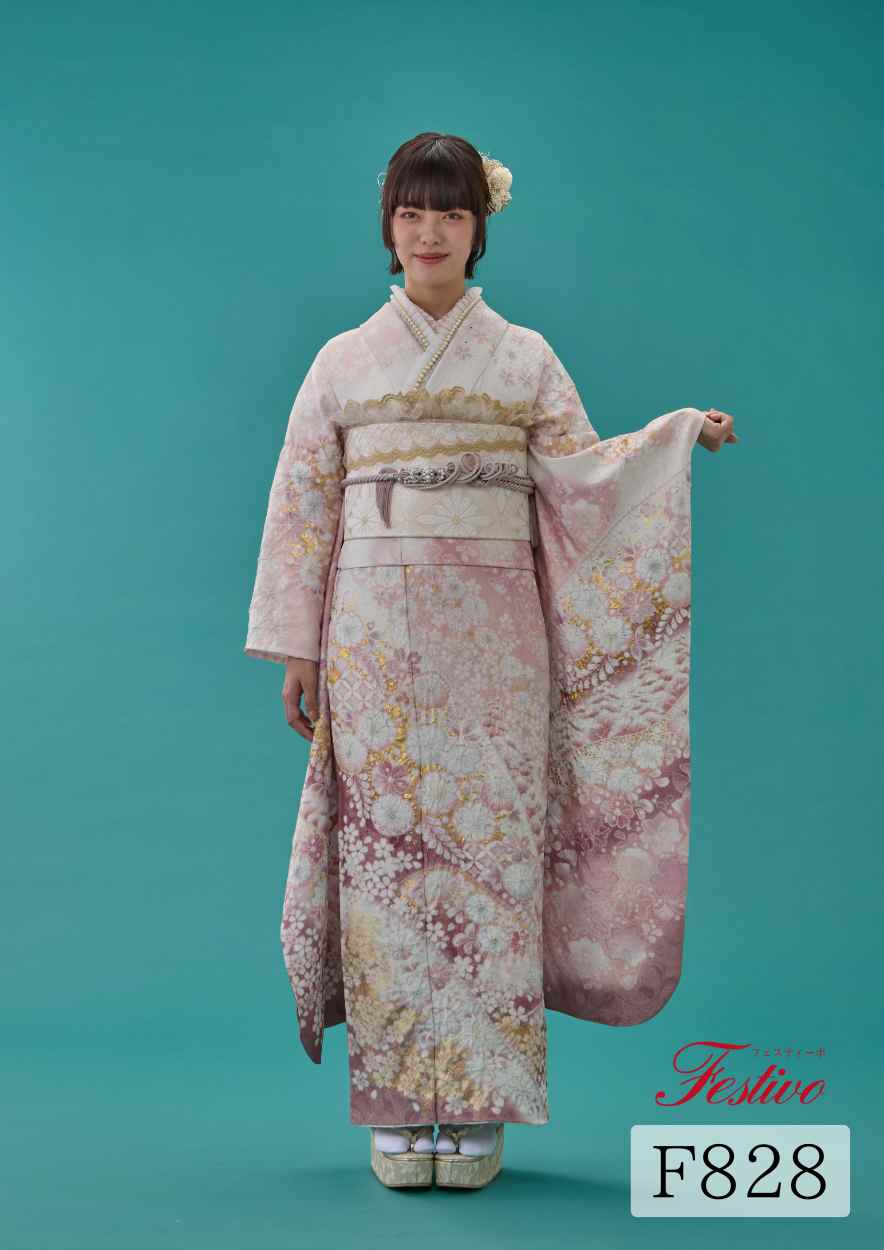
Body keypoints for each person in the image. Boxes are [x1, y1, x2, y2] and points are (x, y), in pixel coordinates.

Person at [244, 132, 738, 1190]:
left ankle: (475, 1101)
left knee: (488, 856)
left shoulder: (524, 358)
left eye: (451, 213)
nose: (429, 233)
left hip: (495, 639)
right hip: (371, 636)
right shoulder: (342, 361)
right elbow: (301, 503)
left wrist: (669, 440)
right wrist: (296, 645)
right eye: (411, 213)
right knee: (385, 853)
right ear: (387, 227)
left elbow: (581, 483)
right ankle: (397, 1103)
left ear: (480, 228)